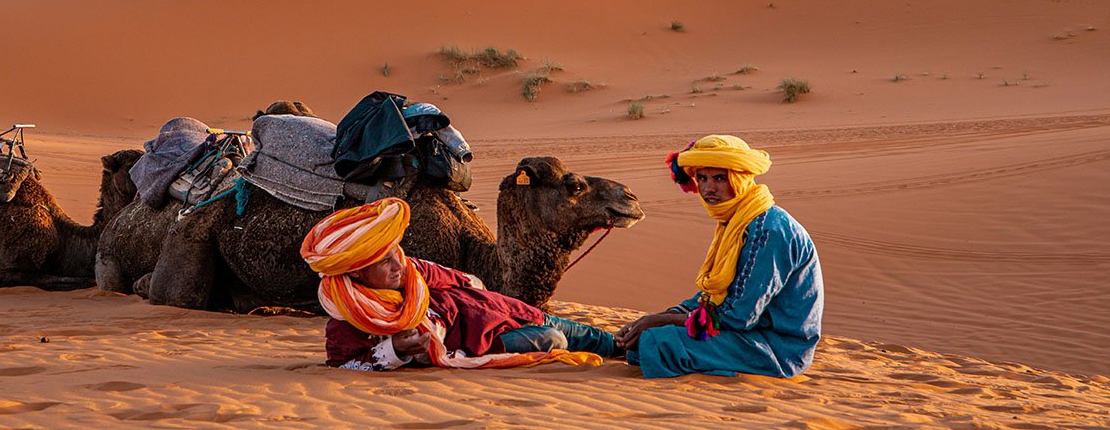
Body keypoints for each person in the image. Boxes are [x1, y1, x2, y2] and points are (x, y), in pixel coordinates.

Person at [299, 196, 619, 370]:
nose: (399, 265)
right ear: (356, 272)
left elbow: (469, 281)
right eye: (384, 261)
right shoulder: (351, 318)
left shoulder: (415, 270)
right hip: (485, 342)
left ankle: (635, 345)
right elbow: (344, 364)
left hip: (502, 310)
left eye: (396, 252)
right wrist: (395, 350)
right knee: (553, 339)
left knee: (599, 339)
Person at [614, 134, 823, 378]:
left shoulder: (768, 231)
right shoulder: (736, 221)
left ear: (741, 179)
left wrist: (662, 321)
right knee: (642, 342)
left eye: (719, 178)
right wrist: (653, 319)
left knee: (658, 344)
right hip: (748, 336)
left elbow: (740, 315)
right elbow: (713, 298)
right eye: (701, 178)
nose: (708, 188)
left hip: (776, 349)